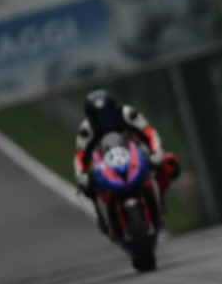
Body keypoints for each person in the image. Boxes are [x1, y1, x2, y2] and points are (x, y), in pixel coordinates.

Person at [74, 89, 181, 227]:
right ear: (91, 119)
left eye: (108, 114)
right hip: (106, 164)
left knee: (170, 161)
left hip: (137, 155)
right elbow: (81, 155)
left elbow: (148, 132)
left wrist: (156, 152)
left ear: (115, 109)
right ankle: (101, 216)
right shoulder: (86, 130)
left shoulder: (127, 114)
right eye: (99, 118)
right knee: (88, 183)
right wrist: (81, 175)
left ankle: (158, 197)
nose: (106, 121)